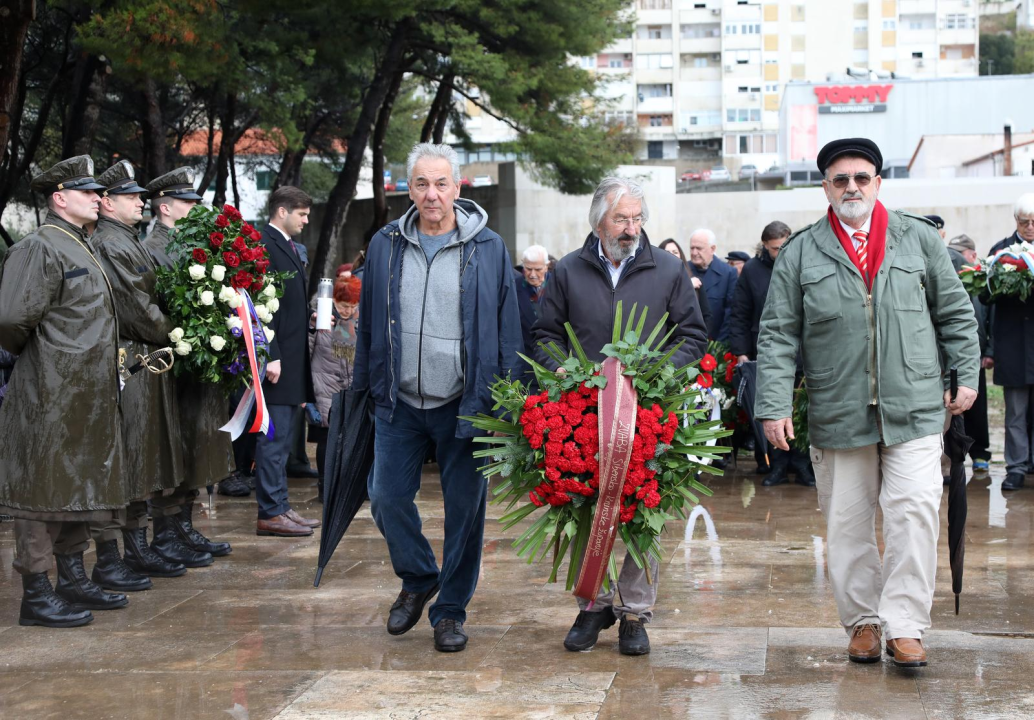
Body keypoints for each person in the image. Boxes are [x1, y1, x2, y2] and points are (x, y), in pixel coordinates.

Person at [756, 138, 979, 668]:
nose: (851, 187)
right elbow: (778, 334)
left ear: (878, 182)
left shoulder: (918, 239)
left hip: (917, 405)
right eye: (840, 179)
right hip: (839, 406)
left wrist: (966, 373)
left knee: (914, 514)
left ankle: (904, 626)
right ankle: (861, 621)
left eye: (861, 177)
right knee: (847, 522)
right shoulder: (802, 251)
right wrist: (773, 404)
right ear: (826, 187)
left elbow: (955, 313)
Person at [354, 142, 522, 653]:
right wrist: (365, 389)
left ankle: (449, 612)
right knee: (384, 497)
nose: (432, 194)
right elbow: (368, 325)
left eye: (441, 183)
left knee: (465, 512)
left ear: (457, 186)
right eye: (422, 183)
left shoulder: (488, 246)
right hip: (399, 401)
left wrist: (508, 402)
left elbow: (508, 327)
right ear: (410, 187)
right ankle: (419, 574)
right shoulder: (385, 243)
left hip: (465, 401)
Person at [534, 177, 707, 657]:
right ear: (598, 222)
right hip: (583, 413)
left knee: (643, 509)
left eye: (637, 219)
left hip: (648, 413)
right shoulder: (567, 271)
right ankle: (593, 605)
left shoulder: (668, 269)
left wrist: (653, 374)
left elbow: (692, 336)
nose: (630, 229)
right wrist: (570, 374)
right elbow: (544, 336)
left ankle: (634, 612)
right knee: (590, 506)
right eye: (620, 219)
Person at [0, 156, 129, 627]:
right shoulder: (40, 246)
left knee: (78, 484)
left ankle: (73, 577)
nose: (99, 198)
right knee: (40, 492)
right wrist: (48, 360)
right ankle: (36, 593)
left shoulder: (80, 245)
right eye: (89, 191)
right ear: (60, 198)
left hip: (84, 393)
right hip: (50, 391)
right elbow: (11, 320)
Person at [91, 160, 193, 588]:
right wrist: (177, 332)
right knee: (134, 450)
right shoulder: (112, 242)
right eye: (131, 197)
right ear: (108, 204)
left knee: (146, 449)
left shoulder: (124, 238)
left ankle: (139, 541)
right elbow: (135, 304)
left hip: (144, 355)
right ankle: (127, 546)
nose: (141, 201)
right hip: (132, 356)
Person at [143, 168, 233, 567]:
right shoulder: (154, 247)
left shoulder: (185, 243)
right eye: (187, 202)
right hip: (171, 360)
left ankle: (181, 525)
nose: (195, 207)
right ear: (165, 207)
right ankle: (166, 531)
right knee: (175, 445)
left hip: (194, 361)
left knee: (195, 444)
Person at [252, 186, 320, 536]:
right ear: (282, 211)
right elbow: (259, 307)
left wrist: (308, 318)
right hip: (278, 360)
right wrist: (272, 356)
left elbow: (286, 301)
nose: (306, 221)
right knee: (274, 440)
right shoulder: (265, 243)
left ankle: (280, 506)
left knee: (284, 437)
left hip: (293, 357)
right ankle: (270, 511)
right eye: (302, 214)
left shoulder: (287, 243)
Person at [729, 221, 814, 486]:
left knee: (799, 412)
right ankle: (776, 465)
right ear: (765, 246)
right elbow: (740, 312)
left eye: (785, 246)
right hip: (766, 355)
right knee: (773, 410)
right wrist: (741, 352)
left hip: (803, 353)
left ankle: (801, 464)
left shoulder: (802, 262)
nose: (781, 252)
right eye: (776, 248)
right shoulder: (753, 271)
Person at [985, 193, 1034, 490]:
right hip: (1013, 345)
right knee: (1015, 411)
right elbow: (985, 296)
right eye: (1025, 221)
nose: (1030, 227)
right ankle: (1016, 466)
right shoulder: (1001, 251)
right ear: (1016, 220)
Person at [308, 274, 361, 500]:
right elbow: (306, 353)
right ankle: (325, 487)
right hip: (324, 388)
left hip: (350, 388)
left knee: (351, 440)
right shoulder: (320, 319)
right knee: (326, 438)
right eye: (343, 305)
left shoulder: (360, 323)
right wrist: (312, 328)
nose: (347, 311)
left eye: (353, 306)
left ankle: (348, 485)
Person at [945, 234, 991, 472]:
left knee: (977, 407)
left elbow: (988, 318)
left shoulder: (980, 282)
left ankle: (980, 452)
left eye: (961, 253)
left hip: (976, 355)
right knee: (952, 409)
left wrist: (988, 351)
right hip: (949, 359)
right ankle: (953, 457)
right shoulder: (946, 278)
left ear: (972, 255)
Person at [688, 228, 738, 342]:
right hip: (688, 342)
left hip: (717, 343)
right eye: (692, 248)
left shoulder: (728, 273)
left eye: (699, 248)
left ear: (712, 249)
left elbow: (731, 312)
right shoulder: (683, 269)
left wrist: (718, 346)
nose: (694, 252)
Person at [657, 238, 712, 331]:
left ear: (681, 255)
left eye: (675, 252)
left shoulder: (696, 282)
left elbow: (706, 315)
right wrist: (688, 286)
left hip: (690, 338)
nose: (671, 255)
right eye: (667, 252)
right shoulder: (655, 283)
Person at [514, 244, 550, 380]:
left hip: (554, 362)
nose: (533, 274)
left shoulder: (559, 284)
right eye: (528, 269)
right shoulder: (512, 287)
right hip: (525, 364)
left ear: (547, 266)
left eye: (538, 269)